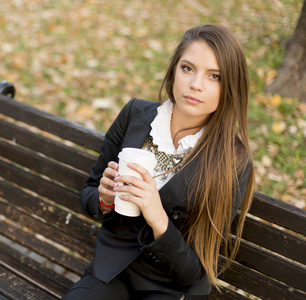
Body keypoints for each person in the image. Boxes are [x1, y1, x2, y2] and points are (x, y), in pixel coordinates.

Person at [62, 23, 254, 300]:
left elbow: (196, 272)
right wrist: (104, 200)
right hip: (112, 272)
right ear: (174, 70)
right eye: (187, 68)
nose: (195, 85)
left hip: (170, 287)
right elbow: (89, 191)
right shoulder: (136, 115)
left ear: (230, 87)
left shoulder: (233, 162)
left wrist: (158, 219)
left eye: (214, 76)